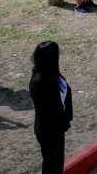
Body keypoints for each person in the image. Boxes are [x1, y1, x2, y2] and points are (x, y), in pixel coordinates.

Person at [29, 40, 73, 173]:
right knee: (52, 165)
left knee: (56, 163)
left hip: (56, 128)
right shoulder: (40, 82)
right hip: (50, 130)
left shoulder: (50, 73)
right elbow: (49, 110)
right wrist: (63, 122)